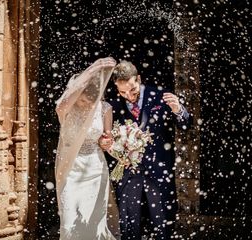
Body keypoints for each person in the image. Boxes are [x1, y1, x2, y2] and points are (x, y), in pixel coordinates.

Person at [101, 60, 192, 240]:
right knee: (128, 223)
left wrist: (179, 110)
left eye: (133, 90)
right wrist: (106, 143)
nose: (129, 96)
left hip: (158, 170)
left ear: (139, 79)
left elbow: (185, 124)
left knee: (162, 221)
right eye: (123, 92)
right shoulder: (113, 106)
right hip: (128, 172)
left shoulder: (160, 96)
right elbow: (107, 137)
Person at [55, 57, 118, 240]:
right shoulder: (66, 109)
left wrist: (106, 142)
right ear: (77, 96)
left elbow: (107, 138)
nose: (87, 106)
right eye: (83, 101)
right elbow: (63, 103)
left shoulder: (105, 108)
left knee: (94, 223)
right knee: (69, 224)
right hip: (71, 168)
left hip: (96, 169)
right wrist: (94, 69)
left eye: (92, 102)